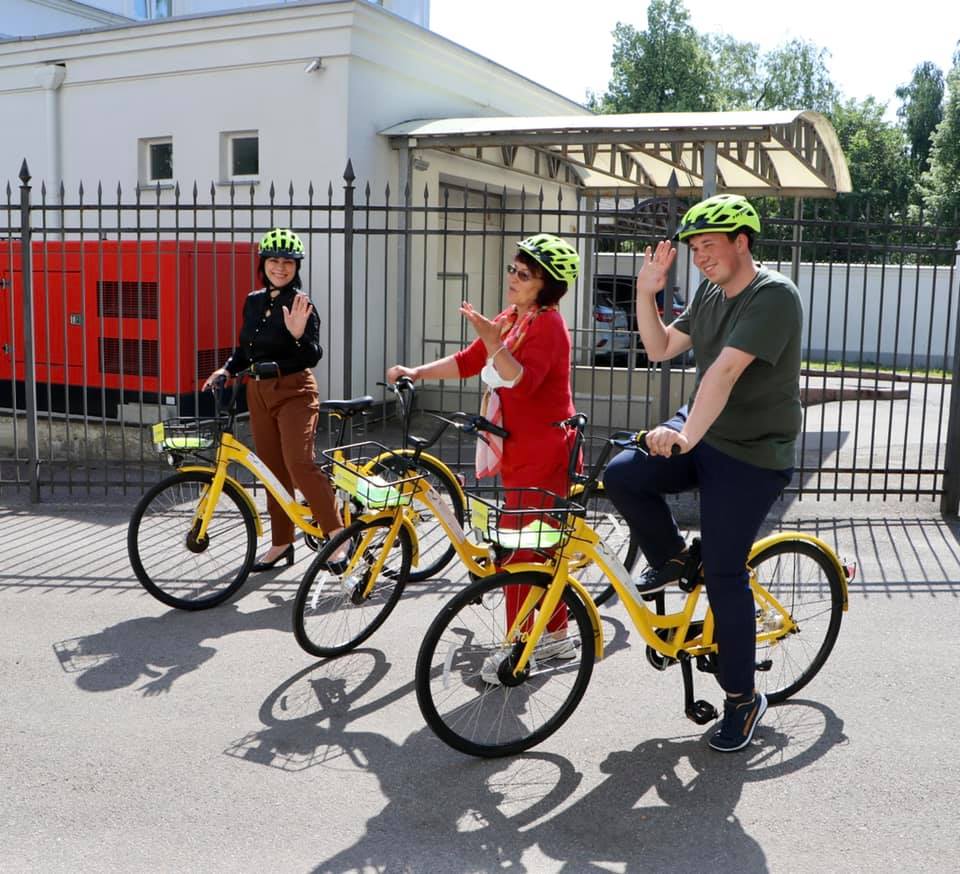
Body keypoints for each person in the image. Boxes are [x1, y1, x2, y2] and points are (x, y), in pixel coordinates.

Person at [602, 194, 803, 753]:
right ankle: (672, 558)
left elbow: (725, 370)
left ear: (742, 241)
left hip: (753, 453)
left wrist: (685, 434)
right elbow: (661, 347)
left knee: (723, 572)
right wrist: (646, 293)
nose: (700, 257)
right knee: (623, 475)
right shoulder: (711, 294)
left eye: (709, 245)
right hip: (703, 430)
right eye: (693, 249)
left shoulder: (774, 296)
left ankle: (742, 699)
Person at [387, 233, 581, 680]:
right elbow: (470, 360)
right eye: (513, 268)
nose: (512, 277)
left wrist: (494, 342)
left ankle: (518, 648)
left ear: (547, 285)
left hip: (543, 451)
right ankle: (555, 637)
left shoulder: (548, 326)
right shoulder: (512, 318)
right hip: (517, 446)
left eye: (524, 274)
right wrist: (417, 371)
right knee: (533, 548)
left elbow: (522, 382)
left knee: (521, 552)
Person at [202, 228, 345, 572]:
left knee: (299, 464)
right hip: (258, 392)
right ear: (263, 264)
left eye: (288, 262)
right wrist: (226, 369)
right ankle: (282, 542)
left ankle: (339, 537)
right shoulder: (253, 302)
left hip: (295, 391)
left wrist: (297, 335)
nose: (280, 268)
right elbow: (245, 350)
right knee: (272, 471)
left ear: (297, 267)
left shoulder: (301, 304)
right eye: (274, 261)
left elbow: (312, 355)